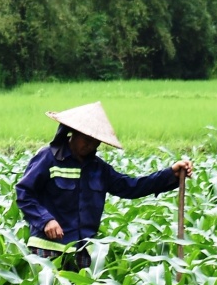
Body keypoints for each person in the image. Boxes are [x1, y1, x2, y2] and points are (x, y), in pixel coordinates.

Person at [15, 101, 192, 270]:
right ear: (73, 133)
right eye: (85, 138)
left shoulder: (98, 169)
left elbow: (131, 186)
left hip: (83, 250)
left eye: (95, 140)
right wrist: (46, 220)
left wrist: (171, 174)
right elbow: (24, 192)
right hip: (48, 249)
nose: (89, 144)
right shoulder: (48, 158)